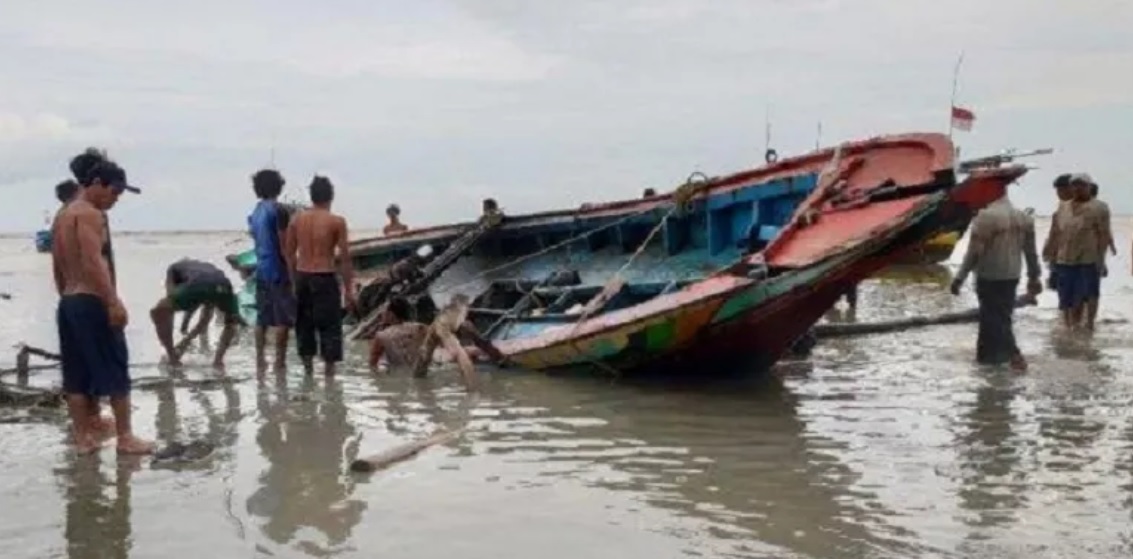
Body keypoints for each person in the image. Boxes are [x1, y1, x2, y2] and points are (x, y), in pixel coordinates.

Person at [52, 151, 153, 454]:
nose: (116, 198)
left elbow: (57, 265)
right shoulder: (90, 214)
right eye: (114, 191)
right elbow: (94, 260)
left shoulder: (62, 215)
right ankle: (125, 438)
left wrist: (66, 298)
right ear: (96, 182)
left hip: (69, 301)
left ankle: (83, 438)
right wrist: (112, 301)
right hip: (92, 299)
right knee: (116, 368)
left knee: (76, 375)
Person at [950, 189, 1041, 371]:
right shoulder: (1023, 217)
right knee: (1000, 316)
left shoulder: (985, 217)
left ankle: (1014, 354)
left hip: (989, 274)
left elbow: (973, 252)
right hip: (1012, 274)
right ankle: (987, 359)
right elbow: (1031, 252)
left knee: (993, 317)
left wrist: (960, 277)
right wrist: (1033, 277)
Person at [284, 175, 357, 376]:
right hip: (325, 277)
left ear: (312, 196)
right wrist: (349, 291)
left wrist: (292, 281)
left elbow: (289, 254)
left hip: (302, 277)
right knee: (330, 328)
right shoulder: (337, 221)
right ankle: (329, 378)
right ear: (330, 197)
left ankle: (308, 373)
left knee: (304, 326)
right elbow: (345, 258)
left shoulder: (296, 220)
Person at [369, 296, 506, 380]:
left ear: (392, 315)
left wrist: (383, 369)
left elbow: (372, 366)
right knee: (463, 346)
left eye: (385, 312)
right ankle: (495, 354)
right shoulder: (420, 328)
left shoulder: (381, 336)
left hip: (407, 376)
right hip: (429, 368)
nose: (382, 315)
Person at [150, 258, 243, 368]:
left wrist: (182, 332)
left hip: (198, 284)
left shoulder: (174, 269)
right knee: (231, 322)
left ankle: (172, 358)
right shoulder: (204, 268)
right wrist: (186, 340)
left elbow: (177, 302)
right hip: (223, 284)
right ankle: (218, 361)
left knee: (159, 311)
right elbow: (204, 317)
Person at [1045, 173, 1110, 331]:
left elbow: (1104, 234)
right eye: (1074, 185)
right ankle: (1070, 327)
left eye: (1081, 185)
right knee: (1065, 295)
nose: (1077, 188)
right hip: (1064, 258)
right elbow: (1056, 232)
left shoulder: (1099, 207)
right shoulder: (1063, 208)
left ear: (1089, 187)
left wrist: (1101, 259)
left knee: (1088, 293)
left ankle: (1088, 325)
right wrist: (1049, 251)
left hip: (1088, 258)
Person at [247, 169, 295, 375]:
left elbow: (257, 240)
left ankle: (260, 361)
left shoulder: (255, 212)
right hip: (278, 270)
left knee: (262, 319)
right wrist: (293, 273)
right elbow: (285, 247)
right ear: (279, 186)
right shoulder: (280, 210)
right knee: (283, 319)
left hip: (261, 270)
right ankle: (280, 362)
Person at [1042, 174, 1073, 291]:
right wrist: (1048, 251)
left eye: (1062, 189)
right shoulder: (1059, 211)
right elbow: (1054, 234)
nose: (1059, 193)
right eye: (1058, 190)